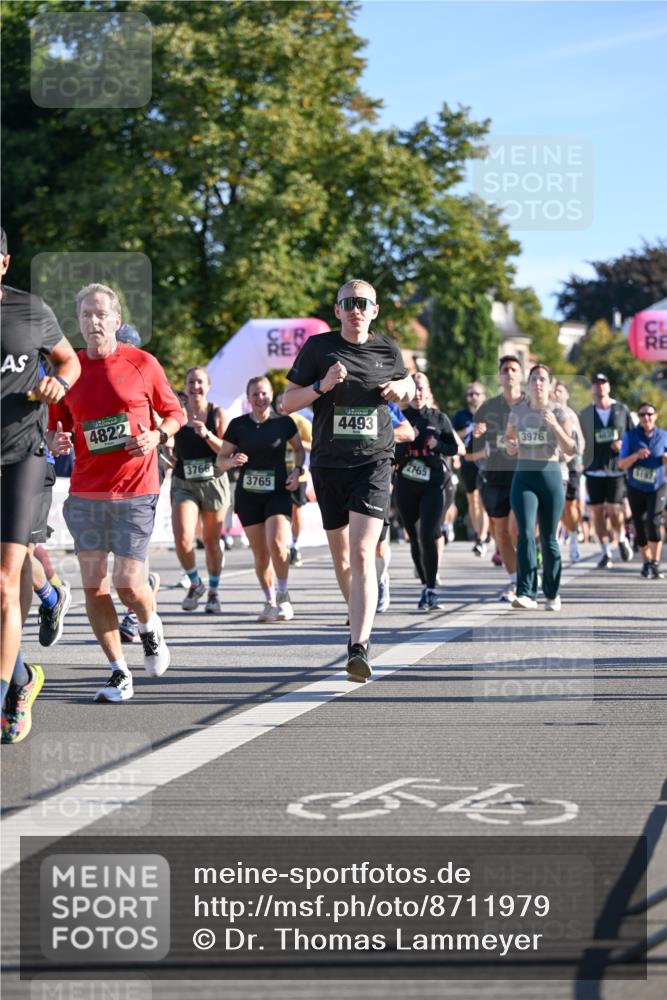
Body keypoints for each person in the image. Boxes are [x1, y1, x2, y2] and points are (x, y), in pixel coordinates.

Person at [48, 282, 185, 703]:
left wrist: (157, 435)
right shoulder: (68, 370)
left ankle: (149, 626)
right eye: (86, 314)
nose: (93, 321)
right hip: (87, 491)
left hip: (135, 488)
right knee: (94, 587)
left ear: (116, 320)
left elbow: (174, 412)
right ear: (79, 321)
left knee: (127, 583)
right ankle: (118, 671)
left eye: (101, 314)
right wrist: (58, 442)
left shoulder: (143, 362)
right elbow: (58, 426)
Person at [282, 278, 414, 682]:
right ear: (337, 310)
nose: (356, 309)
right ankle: (358, 606)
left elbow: (409, 385)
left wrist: (402, 388)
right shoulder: (319, 349)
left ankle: (359, 646)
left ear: (374, 311)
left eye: (363, 303)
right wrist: (321, 386)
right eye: (348, 303)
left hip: (373, 462)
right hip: (329, 463)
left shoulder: (387, 348)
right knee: (343, 559)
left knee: (361, 553)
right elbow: (285, 402)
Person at [1, 226, 81, 743]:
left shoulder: (30, 311)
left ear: (3, 264)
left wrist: (59, 383)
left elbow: (68, 360)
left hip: (21, 458)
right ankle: (22, 680)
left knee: (4, 581)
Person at [217, 376, 304, 622]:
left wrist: (297, 471)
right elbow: (220, 460)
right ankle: (269, 601)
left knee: (277, 544)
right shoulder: (238, 425)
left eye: (264, 393)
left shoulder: (284, 422)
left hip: (278, 491)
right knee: (261, 554)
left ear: (271, 394)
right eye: (255, 394)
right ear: (248, 398)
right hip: (248, 495)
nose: (260, 398)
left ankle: (284, 595)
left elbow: (298, 449)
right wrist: (232, 461)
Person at [505, 364, 576, 611]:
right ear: (528, 383)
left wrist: (555, 426)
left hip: (551, 476)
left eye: (542, 379)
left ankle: (552, 593)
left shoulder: (560, 411)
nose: (537, 383)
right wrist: (511, 446)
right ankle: (526, 592)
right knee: (524, 533)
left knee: (548, 538)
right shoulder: (517, 411)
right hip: (524, 476)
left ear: (549, 384)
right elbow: (509, 440)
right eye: (534, 379)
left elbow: (570, 449)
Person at [395, 373, 462, 610]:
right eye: (414, 389)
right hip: (406, 480)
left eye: (422, 388)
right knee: (413, 535)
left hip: (434, 481)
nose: (418, 393)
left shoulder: (439, 418)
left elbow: (454, 448)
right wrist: (402, 443)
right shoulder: (400, 416)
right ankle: (425, 585)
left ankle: (431, 589)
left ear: (428, 391)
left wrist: (438, 446)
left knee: (428, 533)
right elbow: (389, 448)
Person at [171, 366, 229, 614]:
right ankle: (195, 583)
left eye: (200, 382)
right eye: (191, 382)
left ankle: (214, 592)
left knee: (211, 542)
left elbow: (227, 451)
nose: (195, 387)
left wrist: (206, 434)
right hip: (184, 483)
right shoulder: (177, 415)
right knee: (183, 538)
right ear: (185, 386)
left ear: (208, 386)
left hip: (214, 483)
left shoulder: (217, 413)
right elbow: (170, 448)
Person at [468, 356, 524, 601]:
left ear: (520, 375)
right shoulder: (487, 408)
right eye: (505, 369)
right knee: (501, 534)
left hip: (524, 474)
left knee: (518, 529)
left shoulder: (531, 405)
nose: (509, 373)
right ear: (499, 376)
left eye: (514, 369)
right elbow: (471, 451)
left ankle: (527, 577)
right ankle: (515, 580)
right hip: (495, 475)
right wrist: (477, 435)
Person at [579, 373, 634, 568]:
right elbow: (578, 439)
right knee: (596, 511)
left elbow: (632, 436)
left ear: (609, 386)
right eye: (596, 384)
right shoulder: (585, 413)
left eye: (603, 383)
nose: (600, 387)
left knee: (613, 507)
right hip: (593, 468)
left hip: (616, 468)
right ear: (592, 388)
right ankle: (605, 551)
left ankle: (620, 538)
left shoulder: (621, 409)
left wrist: (623, 444)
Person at [618, 403, 667, 579]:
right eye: (642, 415)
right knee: (639, 525)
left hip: (657, 486)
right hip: (636, 486)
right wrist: (636, 456)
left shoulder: (664, 436)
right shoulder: (630, 436)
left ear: (656, 416)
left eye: (649, 414)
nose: (646, 418)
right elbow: (621, 464)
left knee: (654, 522)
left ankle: (655, 562)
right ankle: (646, 561)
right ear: (638, 418)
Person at [376, 401, 416, 612]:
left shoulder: (384, 402)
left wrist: (372, 433)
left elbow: (408, 432)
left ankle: (380, 579)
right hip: (341, 478)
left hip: (375, 478)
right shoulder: (334, 395)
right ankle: (356, 596)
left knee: (378, 543)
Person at [276, 391, 313, 568]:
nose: (282, 406)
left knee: (295, 511)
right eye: (278, 403)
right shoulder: (272, 422)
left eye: (284, 402)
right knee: (278, 512)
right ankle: (280, 545)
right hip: (277, 473)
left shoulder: (301, 421)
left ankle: (295, 545)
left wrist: (295, 443)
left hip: (298, 472)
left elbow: (315, 445)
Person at [452, 382, 489, 555]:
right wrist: (467, 430)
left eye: (476, 394)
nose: (473, 397)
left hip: (486, 463)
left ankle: (481, 538)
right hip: (467, 463)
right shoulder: (460, 416)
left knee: (483, 502)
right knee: (472, 502)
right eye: (470, 394)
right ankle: (478, 534)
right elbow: (451, 436)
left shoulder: (490, 414)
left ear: (483, 396)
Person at [552, 381, 586, 563]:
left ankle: (573, 537)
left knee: (569, 507)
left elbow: (580, 442)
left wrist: (573, 456)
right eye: (555, 390)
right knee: (554, 505)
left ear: (566, 395)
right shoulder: (547, 411)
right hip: (551, 464)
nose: (557, 393)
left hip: (571, 465)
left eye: (560, 390)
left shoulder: (571, 414)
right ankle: (554, 540)